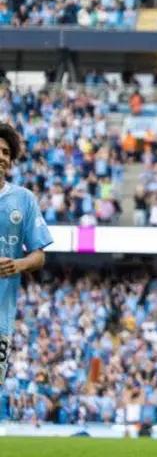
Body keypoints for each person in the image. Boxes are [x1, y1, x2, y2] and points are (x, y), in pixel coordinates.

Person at [0, 122, 54, 383]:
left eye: (6, 152)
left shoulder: (24, 199)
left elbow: (39, 255)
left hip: (2, 316)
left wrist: (18, 265)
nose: (1, 156)